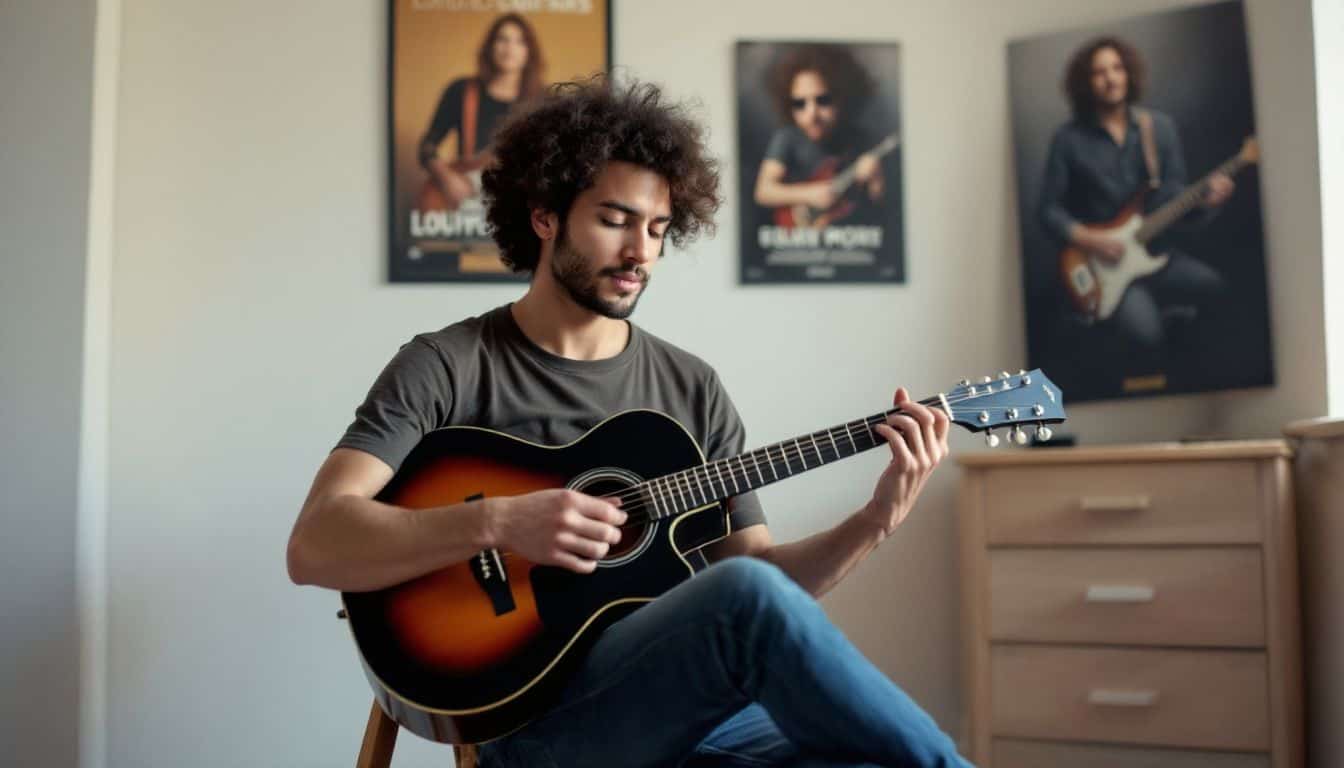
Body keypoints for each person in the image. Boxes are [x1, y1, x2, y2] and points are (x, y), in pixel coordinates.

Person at [288, 76, 969, 768]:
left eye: (657, 229)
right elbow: (314, 542)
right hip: (546, 727)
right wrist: (498, 521)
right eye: (615, 220)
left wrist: (873, 523)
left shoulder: (690, 385)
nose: (641, 252)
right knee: (746, 598)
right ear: (546, 214)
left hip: (707, 717)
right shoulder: (449, 365)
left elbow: (761, 579)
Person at [1037, 36, 1233, 364]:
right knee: (1146, 339)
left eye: (1117, 68)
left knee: (1219, 291)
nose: (1111, 78)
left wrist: (1207, 204)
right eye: (1100, 72)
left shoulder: (1159, 128)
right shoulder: (1068, 140)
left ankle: (1175, 325)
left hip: (1158, 256)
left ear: (1129, 73)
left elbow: (1176, 204)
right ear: (1086, 83)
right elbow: (1048, 210)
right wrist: (1092, 239)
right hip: (1107, 269)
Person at [417, 13, 545, 211]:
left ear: (529, 52)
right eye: (502, 39)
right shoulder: (461, 91)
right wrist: (447, 179)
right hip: (468, 202)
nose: (510, 48)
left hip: (521, 202)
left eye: (520, 41)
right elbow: (427, 146)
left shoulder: (543, 101)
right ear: (490, 46)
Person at [753, 45, 888, 227]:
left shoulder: (859, 139)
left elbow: (880, 208)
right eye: (800, 104)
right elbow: (763, 191)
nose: (812, 114)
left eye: (823, 100)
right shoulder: (787, 138)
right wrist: (810, 194)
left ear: (843, 97)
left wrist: (875, 178)